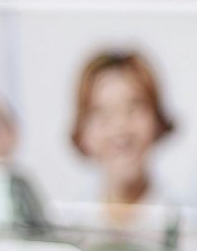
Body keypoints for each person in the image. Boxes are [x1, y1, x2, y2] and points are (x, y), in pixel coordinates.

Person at [71, 49, 177, 235]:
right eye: (102, 114)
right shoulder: (68, 230)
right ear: (83, 133)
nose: (120, 128)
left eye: (134, 109)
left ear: (157, 122)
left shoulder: (190, 231)